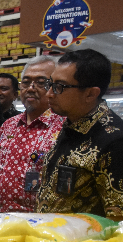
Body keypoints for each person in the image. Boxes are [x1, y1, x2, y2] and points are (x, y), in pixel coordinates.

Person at [37, 49, 123, 220]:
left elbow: (118, 221)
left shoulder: (113, 140)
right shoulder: (72, 123)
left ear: (91, 94)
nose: (49, 93)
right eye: (50, 84)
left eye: (60, 87)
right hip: (54, 239)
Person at [0, 56, 64, 213]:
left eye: (41, 82)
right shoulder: (8, 125)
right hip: (3, 218)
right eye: (25, 82)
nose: (31, 88)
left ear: (55, 87)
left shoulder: (63, 127)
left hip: (43, 223)